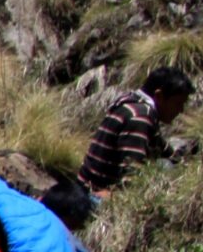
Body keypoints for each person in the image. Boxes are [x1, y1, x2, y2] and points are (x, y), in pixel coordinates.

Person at [81, 65, 194, 196]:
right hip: (96, 195)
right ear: (159, 96)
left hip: (85, 188)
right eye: (178, 103)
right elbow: (132, 172)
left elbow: (162, 147)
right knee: (165, 168)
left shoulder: (132, 104)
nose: (180, 110)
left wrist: (183, 161)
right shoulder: (141, 117)